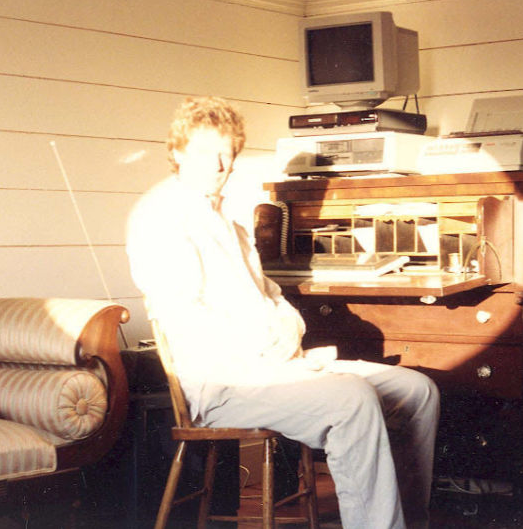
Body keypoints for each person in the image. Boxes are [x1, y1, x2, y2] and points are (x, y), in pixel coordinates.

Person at [126, 96, 439, 529]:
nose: (220, 164)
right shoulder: (162, 217)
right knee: (351, 399)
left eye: (228, 153)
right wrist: (269, 344)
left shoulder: (228, 224)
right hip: (224, 381)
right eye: (206, 152)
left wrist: (286, 330)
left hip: (274, 365)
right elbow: (189, 317)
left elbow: (273, 295)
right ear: (178, 153)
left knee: (416, 391)